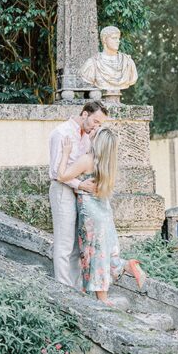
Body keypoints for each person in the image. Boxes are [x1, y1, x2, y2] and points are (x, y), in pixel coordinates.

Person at [57, 126, 147, 303]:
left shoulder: (87, 160)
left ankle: (102, 298)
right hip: (104, 211)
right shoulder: (107, 165)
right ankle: (127, 265)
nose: (92, 131)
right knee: (105, 251)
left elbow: (61, 176)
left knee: (94, 253)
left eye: (95, 132)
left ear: (97, 141)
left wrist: (66, 153)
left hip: (90, 213)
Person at [48, 101, 108, 288]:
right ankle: (64, 289)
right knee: (65, 243)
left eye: (100, 124)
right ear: (84, 114)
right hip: (63, 189)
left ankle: (74, 288)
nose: (96, 127)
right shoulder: (62, 133)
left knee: (77, 244)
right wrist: (81, 184)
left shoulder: (87, 136)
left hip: (81, 193)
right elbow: (56, 172)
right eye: (95, 121)